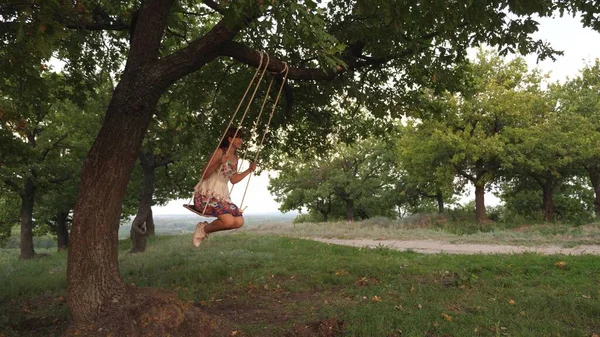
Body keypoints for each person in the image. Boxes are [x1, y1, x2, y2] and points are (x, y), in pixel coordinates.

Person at [191, 127, 256, 247]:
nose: (241, 141)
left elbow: (233, 180)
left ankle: (204, 228)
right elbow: (204, 174)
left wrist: (249, 170)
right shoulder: (219, 152)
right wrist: (219, 162)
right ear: (230, 139)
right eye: (239, 138)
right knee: (228, 221)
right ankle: (202, 230)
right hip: (207, 194)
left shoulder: (235, 157)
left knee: (238, 221)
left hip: (222, 196)